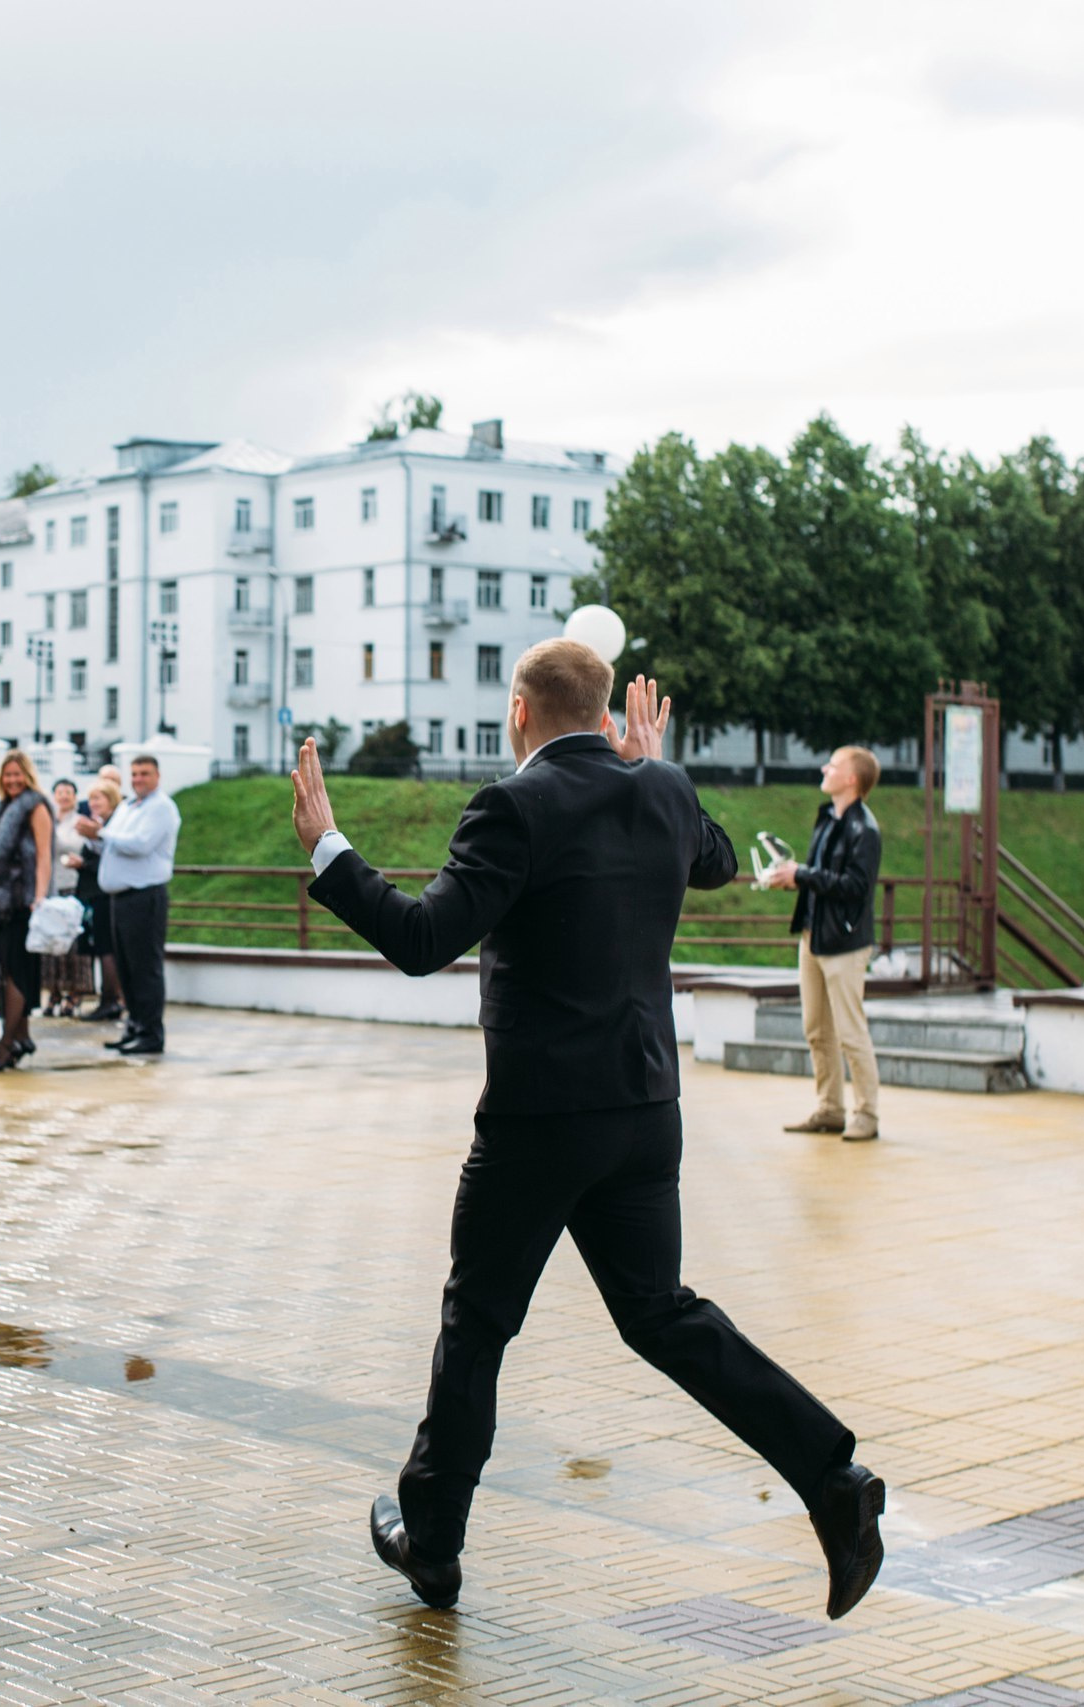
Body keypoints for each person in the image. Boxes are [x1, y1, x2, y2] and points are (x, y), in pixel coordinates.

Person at [293, 640, 882, 1621]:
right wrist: (651, 767)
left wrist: (328, 847)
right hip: (644, 1114)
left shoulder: (512, 807)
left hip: (537, 1124)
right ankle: (832, 1479)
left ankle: (431, 1546)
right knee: (663, 1315)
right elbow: (720, 861)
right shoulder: (660, 789)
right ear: (608, 714)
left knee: (476, 1325)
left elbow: (422, 939)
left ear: (520, 711)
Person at [760, 746, 886, 1142]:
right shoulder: (828, 818)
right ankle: (829, 1110)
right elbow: (818, 877)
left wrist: (803, 875)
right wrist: (793, 877)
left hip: (845, 942)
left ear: (851, 779)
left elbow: (855, 887)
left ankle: (866, 1114)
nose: (824, 768)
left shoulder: (865, 829)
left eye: (833, 765)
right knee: (816, 1028)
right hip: (814, 936)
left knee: (850, 1031)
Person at [81, 754, 180, 1056]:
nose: (138, 779)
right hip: (120, 897)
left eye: (144, 774)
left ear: (157, 776)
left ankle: (151, 1033)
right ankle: (134, 1026)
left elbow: (140, 844)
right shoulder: (127, 805)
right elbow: (114, 843)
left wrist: (101, 833)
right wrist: (94, 837)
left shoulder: (161, 807)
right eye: (134, 774)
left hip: (144, 896)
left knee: (144, 967)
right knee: (125, 965)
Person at [0, 750, 54, 1072]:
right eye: (8, 775)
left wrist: (40, 896)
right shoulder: (1, 807)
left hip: (22, 902)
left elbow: (45, 854)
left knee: (17, 971)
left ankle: (6, 1045)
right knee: (5, 969)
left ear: (28, 776)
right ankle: (23, 1036)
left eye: (18, 775)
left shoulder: (36, 805)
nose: (13, 780)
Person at [68, 779, 123, 1024]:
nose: (93, 804)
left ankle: (111, 1000)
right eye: (91, 799)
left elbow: (113, 860)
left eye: (98, 799)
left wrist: (83, 863)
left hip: (104, 894)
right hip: (94, 892)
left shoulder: (113, 826)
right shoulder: (99, 825)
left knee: (106, 947)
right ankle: (109, 999)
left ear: (110, 800)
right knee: (101, 947)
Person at [43, 778, 87, 1016]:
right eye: (59, 792)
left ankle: (75, 991)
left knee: (72, 944)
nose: (63, 797)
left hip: (71, 885)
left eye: (68, 792)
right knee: (51, 943)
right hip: (51, 886)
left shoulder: (79, 821)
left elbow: (77, 845)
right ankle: (53, 991)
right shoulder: (49, 820)